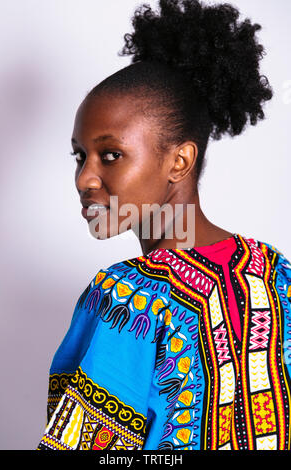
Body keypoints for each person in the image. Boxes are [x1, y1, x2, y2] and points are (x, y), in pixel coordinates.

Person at [37, 0, 291, 451]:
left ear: (180, 160)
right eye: (80, 156)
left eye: (109, 154)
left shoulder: (125, 298)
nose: (84, 178)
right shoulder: (278, 275)